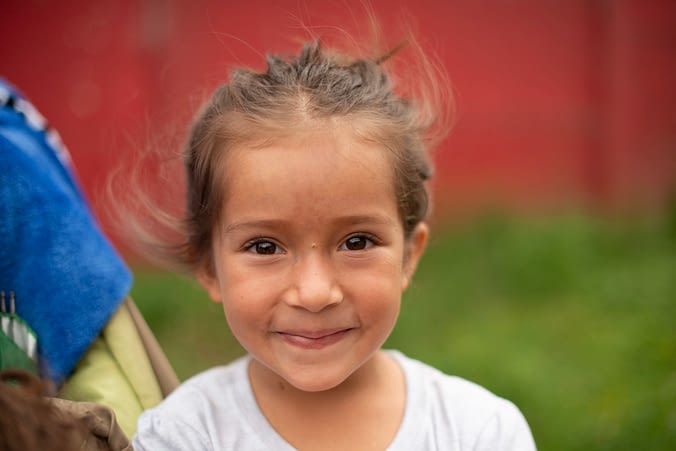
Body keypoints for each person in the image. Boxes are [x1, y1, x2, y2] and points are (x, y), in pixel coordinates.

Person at [131, 40, 537, 450]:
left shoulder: (479, 432)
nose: (315, 293)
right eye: (265, 247)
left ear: (409, 255)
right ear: (208, 266)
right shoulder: (183, 436)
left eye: (356, 242)